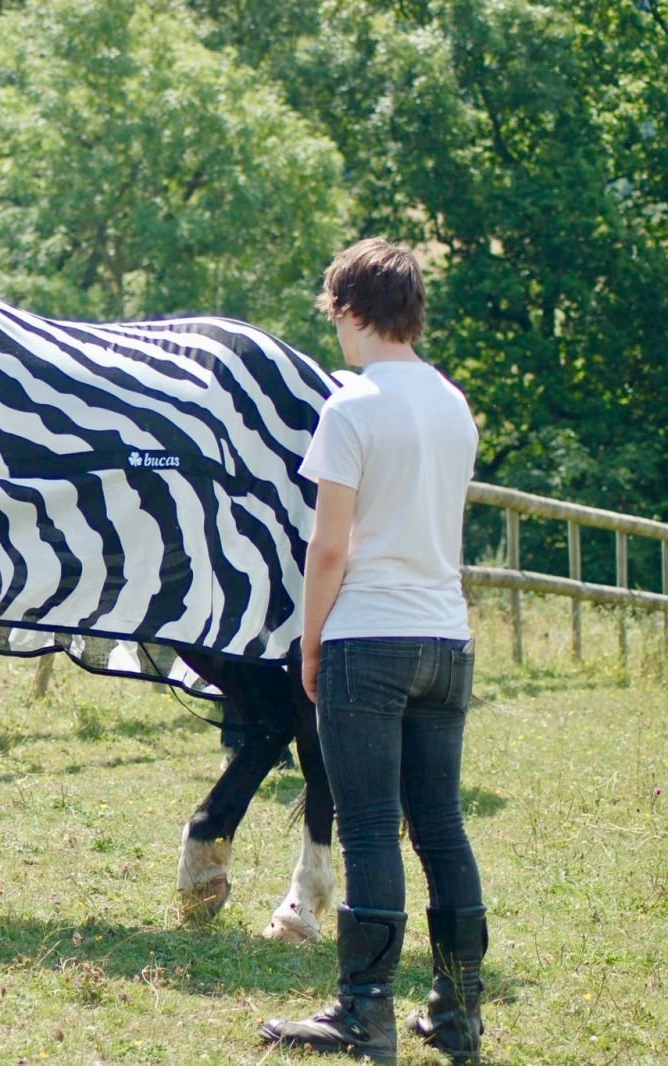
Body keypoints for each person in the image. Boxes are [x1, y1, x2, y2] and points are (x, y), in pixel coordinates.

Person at [261, 238, 485, 1063]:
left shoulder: (352, 406)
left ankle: (363, 1012)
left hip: (370, 636)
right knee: (442, 828)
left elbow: (329, 549)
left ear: (351, 310)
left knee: (365, 830)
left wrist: (310, 642)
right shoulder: (454, 403)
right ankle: (458, 1016)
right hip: (446, 638)